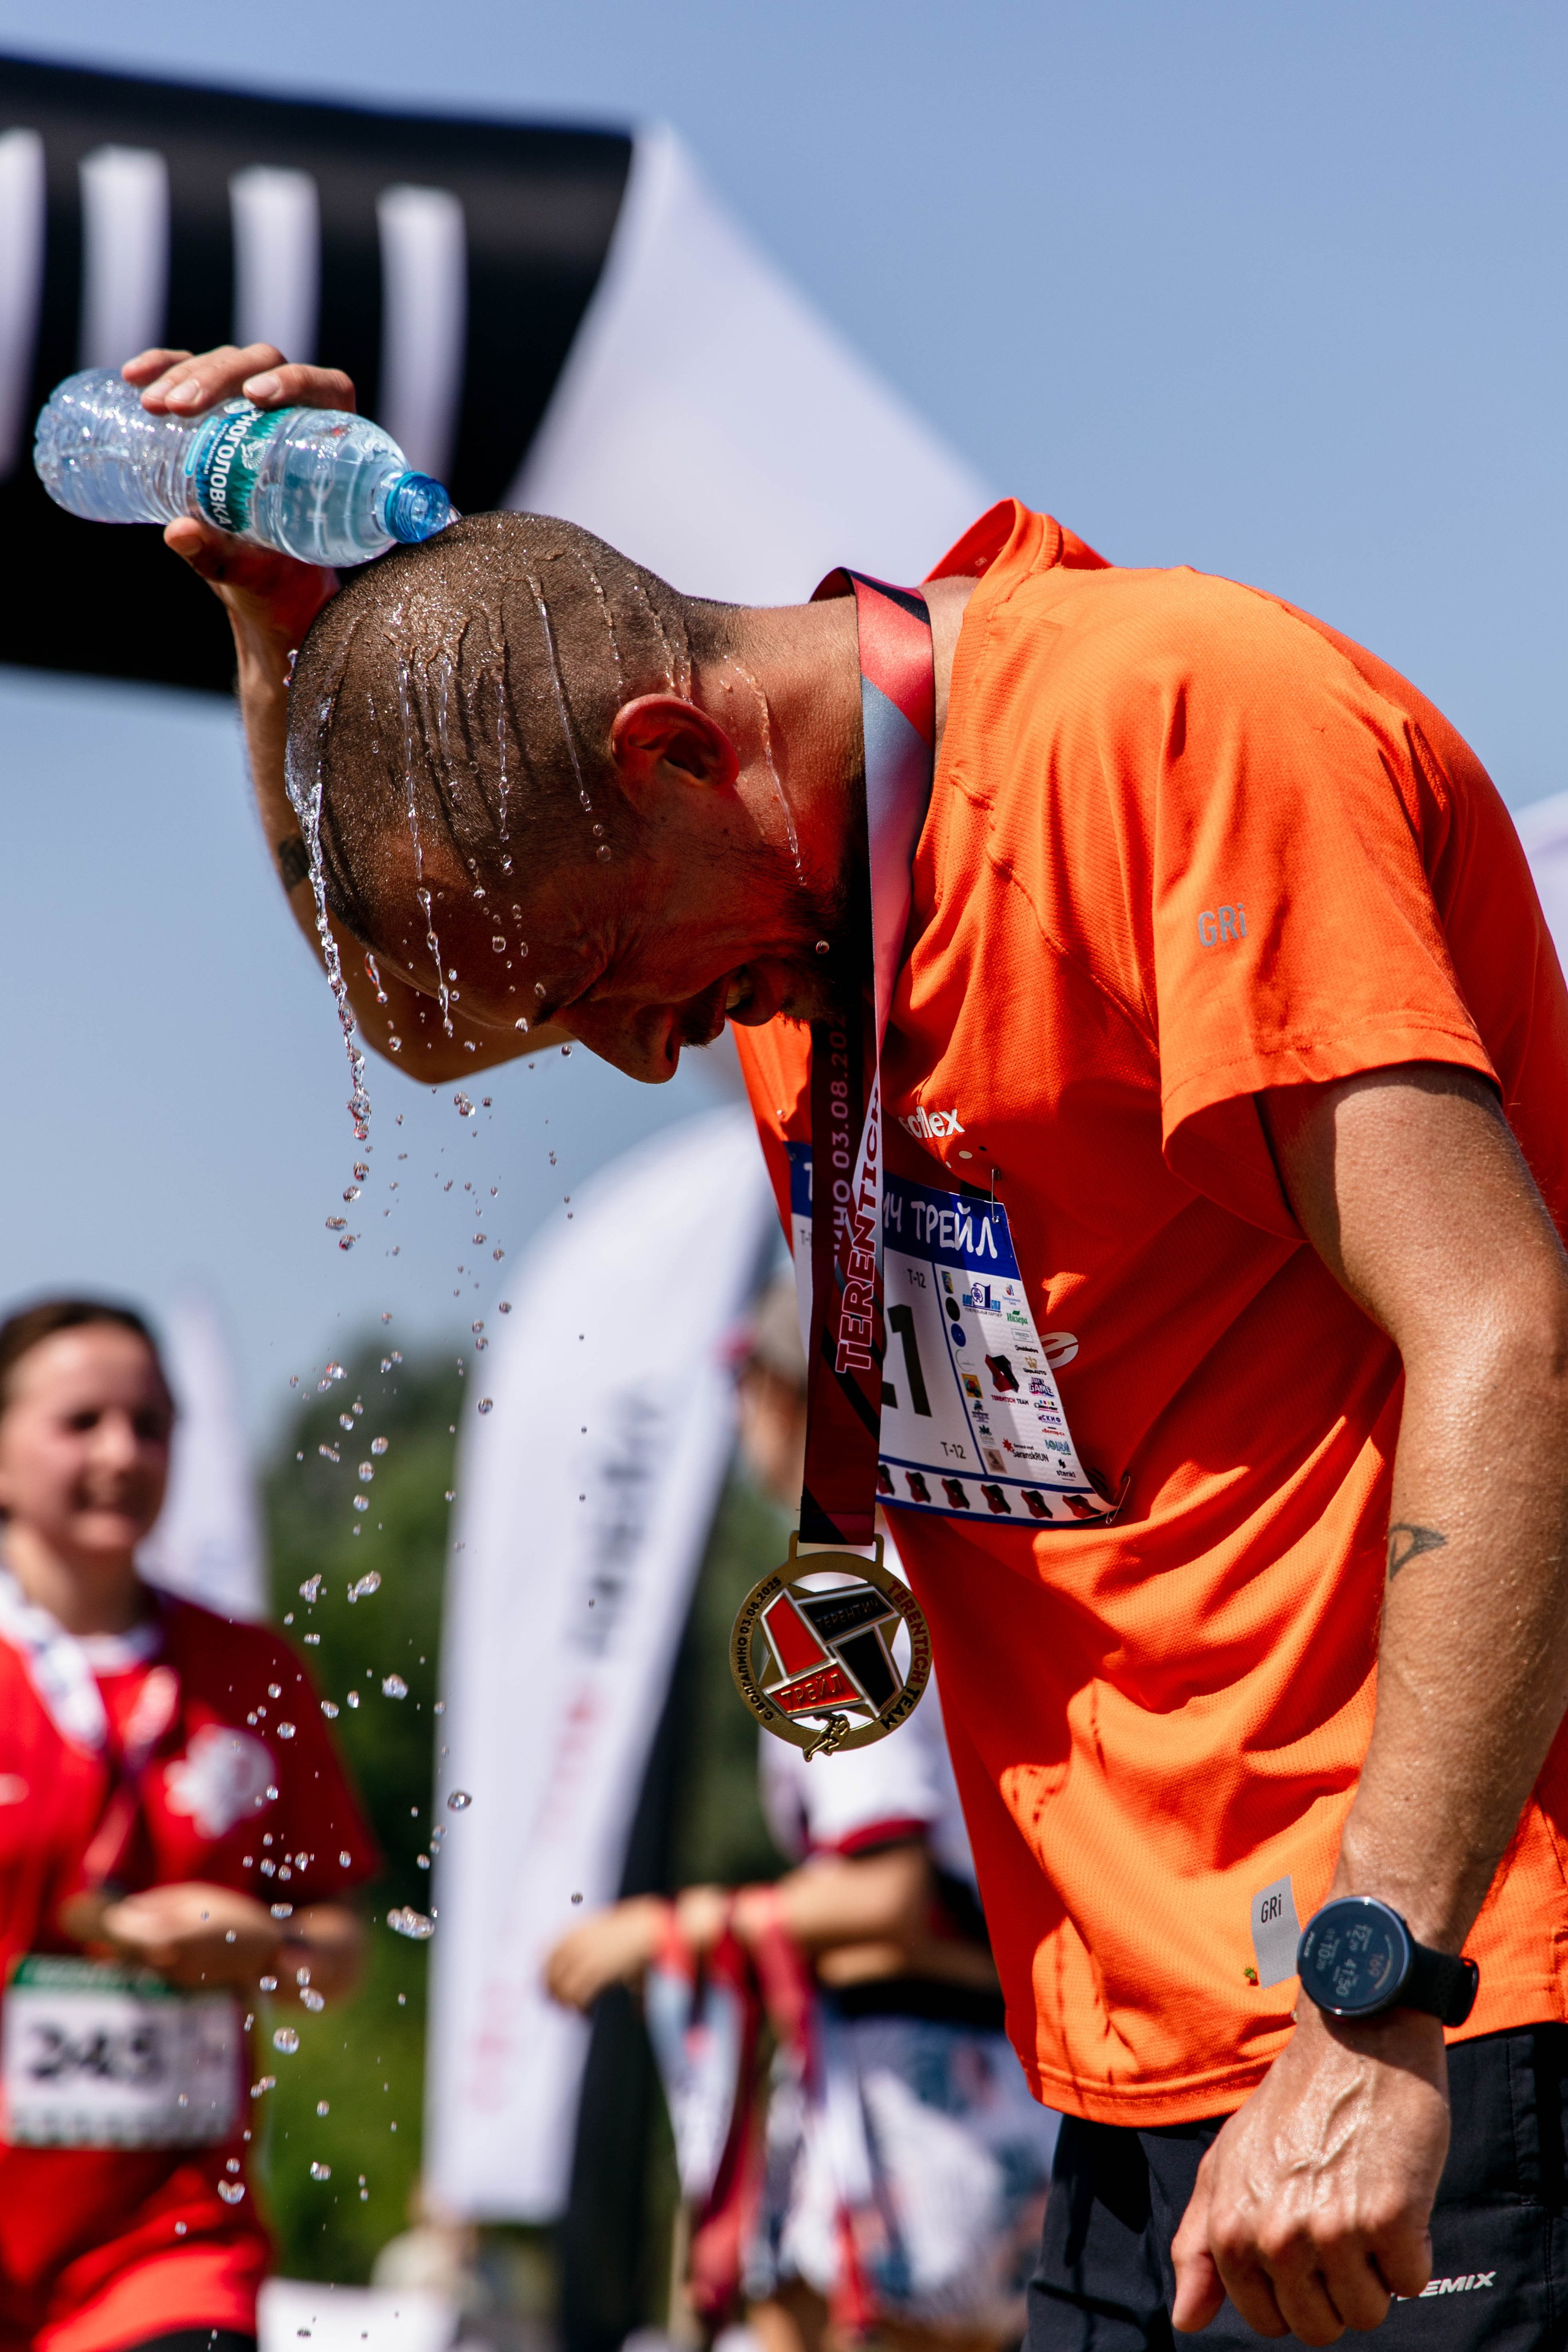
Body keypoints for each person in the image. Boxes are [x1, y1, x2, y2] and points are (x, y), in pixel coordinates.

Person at [129, 339, 1568, 2348]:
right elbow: (426, 1020)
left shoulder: (1164, 727)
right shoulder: (805, 913)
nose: (637, 1052)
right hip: (1132, 2053)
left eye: (608, 977)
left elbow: (1507, 1328)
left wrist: (1381, 1998)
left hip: (1432, 2015)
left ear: (669, 753)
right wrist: (282, 650)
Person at [546, 1276, 1059, 2351]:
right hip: (1002, 2088)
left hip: (909, 2099)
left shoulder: (841, 1588)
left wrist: (667, 1928)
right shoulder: (964, 1563)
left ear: (779, 1393)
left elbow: (889, 1895)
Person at [0, 1295, 377, 2352]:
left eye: (152, 1424)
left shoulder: (251, 1674)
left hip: (169, 2254)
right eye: (82, 1422)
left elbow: (339, 1957)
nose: (124, 1452)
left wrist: (265, 1948)